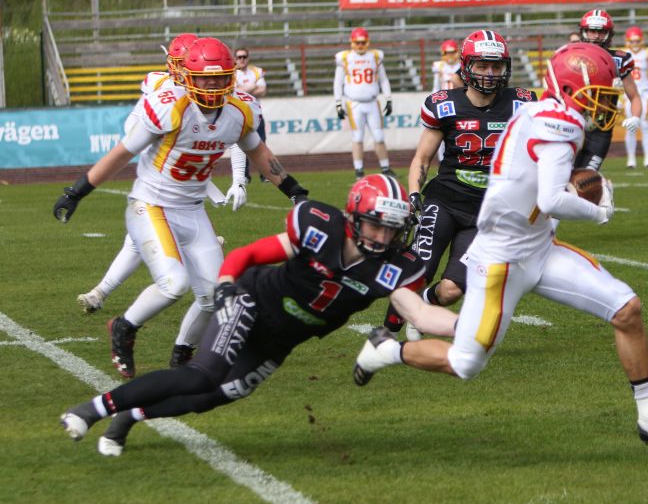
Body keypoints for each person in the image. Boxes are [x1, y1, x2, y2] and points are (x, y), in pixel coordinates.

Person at [352, 42, 648, 446]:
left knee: (627, 308)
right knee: (466, 362)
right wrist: (599, 211)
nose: (608, 101)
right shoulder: (557, 122)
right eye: (601, 92)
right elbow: (551, 200)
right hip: (501, 257)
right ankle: (386, 351)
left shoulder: (539, 111)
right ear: (571, 89)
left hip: (539, 247)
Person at [60, 175, 458, 457]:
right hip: (252, 302)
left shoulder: (395, 266)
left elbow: (420, 315)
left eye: (393, 229)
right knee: (203, 375)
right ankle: (91, 409)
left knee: (213, 397)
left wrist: (467, 326)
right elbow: (247, 254)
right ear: (354, 217)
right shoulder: (320, 228)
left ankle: (130, 416)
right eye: (376, 226)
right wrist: (226, 284)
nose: (384, 238)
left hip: (281, 339)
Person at [53, 37, 309, 379]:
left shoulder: (240, 110)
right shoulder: (169, 105)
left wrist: (294, 191)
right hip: (152, 204)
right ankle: (124, 326)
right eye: (206, 78)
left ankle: (183, 354)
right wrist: (77, 191)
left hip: (192, 209)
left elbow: (258, 152)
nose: (213, 86)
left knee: (215, 295)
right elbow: (122, 153)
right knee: (174, 284)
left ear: (231, 76)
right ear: (189, 77)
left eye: (220, 78)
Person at [75, 34, 248, 327]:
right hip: (163, 173)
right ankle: (102, 292)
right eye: (177, 63)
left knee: (143, 242)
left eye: (184, 63)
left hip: (189, 180)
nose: (179, 69)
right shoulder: (162, 87)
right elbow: (133, 126)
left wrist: (239, 179)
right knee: (137, 240)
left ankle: (102, 293)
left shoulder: (217, 94)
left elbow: (239, 136)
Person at [381, 30, 537, 341]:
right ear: (466, 67)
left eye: (496, 66)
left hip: (488, 212)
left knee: (452, 290)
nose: (490, 73)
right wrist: (414, 194)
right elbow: (422, 158)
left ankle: (424, 305)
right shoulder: (445, 104)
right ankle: (385, 335)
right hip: (445, 201)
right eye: (482, 65)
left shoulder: (522, 104)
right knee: (418, 272)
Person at [574, 9, 642, 171]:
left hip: (600, 127)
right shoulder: (571, 56)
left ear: (609, 34)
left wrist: (636, 117)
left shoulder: (619, 60)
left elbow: (634, 96)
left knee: (587, 175)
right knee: (563, 174)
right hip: (573, 123)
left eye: (601, 32)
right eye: (592, 31)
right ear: (583, 32)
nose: (596, 36)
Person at [334, 27, 394, 178]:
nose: (360, 45)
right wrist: (338, 102)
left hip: (372, 102)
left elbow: (384, 79)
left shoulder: (375, 56)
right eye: (357, 42)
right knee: (358, 137)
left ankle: (385, 168)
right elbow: (338, 82)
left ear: (367, 42)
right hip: (354, 104)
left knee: (379, 137)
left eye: (363, 42)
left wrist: (388, 98)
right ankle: (359, 171)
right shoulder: (345, 58)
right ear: (352, 42)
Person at [621, 26, 648, 169]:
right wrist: (618, 97)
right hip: (628, 95)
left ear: (642, 41)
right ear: (627, 41)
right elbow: (617, 78)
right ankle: (631, 159)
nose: (635, 44)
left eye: (637, 41)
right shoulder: (623, 55)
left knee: (645, 126)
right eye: (632, 41)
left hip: (644, 94)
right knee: (630, 127)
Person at [232, 46, 269, 185]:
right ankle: (244, 175)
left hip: (255, 114)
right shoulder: (232, 73)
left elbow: (263, 90)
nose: (241, 59)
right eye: (239, 57)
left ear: (248, 58)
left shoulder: (256, 71)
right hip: (239, 114)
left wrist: (242, 90)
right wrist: (253, 86)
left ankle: (265, 174)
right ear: (235, 59)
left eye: (244, 57)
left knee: (261, 144)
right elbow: (233, 92)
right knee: (242, 145)